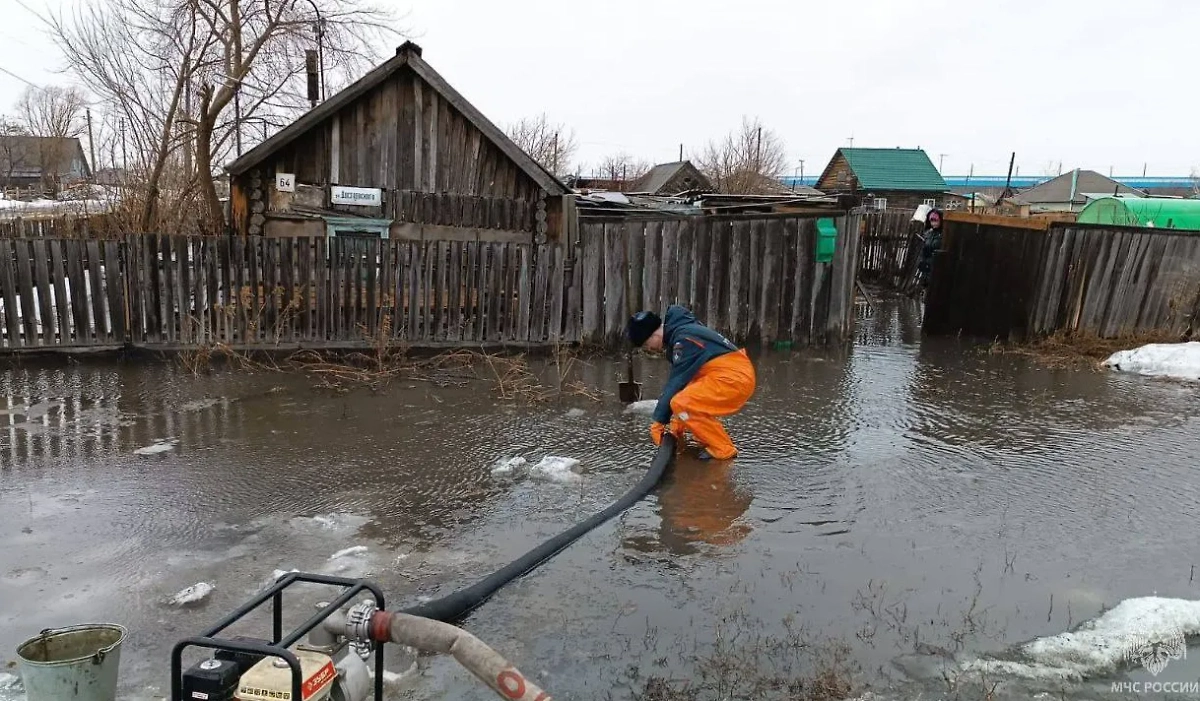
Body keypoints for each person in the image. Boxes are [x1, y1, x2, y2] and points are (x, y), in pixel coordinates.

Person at [625, 305, 756, 460]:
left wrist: (659, 421)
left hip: (733, 379)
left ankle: (723, 449)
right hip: (733, 374)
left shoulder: (683, 340)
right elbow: (684, 384)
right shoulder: (683, 332)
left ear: (653, 336)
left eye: (647, 345)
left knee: (683, 403)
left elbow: (676, 382)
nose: (650, 349)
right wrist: (676, 428)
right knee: (685, 398)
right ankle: (705, 436)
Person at [915, 207, 944, 288]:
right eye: (932, 221)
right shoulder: (928, 233)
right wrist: (921, 260)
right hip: (926, 265)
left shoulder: (943, 234)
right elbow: (923, 247)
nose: (933, 223)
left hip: (936, 266)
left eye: (936, 221)